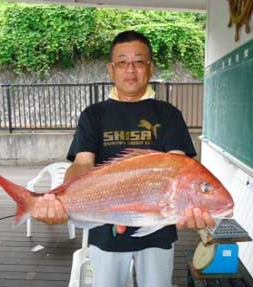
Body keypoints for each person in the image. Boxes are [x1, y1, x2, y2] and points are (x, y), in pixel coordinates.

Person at [31, 30, 215, 287]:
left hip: (158, 230)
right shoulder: (94, 114)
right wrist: (58, 199)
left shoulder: (168, 113)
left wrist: (194, 205)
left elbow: (179, 168)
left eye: (139, 62)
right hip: (104, 228)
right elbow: (83, 163)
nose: (131, 70)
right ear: (111, 69)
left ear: (150, 68)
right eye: (122, 62)